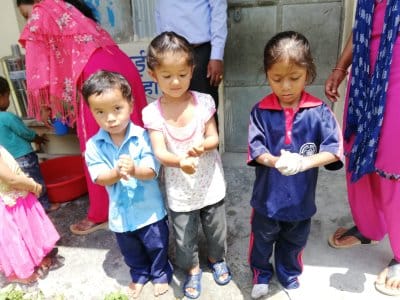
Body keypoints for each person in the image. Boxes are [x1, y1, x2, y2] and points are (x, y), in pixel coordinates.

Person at [16, 0, 148, 235]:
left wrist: (45, 103)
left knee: (94, 145)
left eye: (26, 16)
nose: (30, 22)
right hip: (123, 69)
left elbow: (37, 63)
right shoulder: (70, 9)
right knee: (133, 135)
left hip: (96, 78)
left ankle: (100, 213)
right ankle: (144, 200)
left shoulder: (41, 9)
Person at [247, 31, 343, 299]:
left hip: (301, 199)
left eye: (294, 78)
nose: (286, 87)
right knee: (262, 240)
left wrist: (304, 162)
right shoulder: (260, 111)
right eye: (277, 79)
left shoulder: (319, 111)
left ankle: (289, 273)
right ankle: (261, 273)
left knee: (294, 242)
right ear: (267, 74)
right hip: (267, 199)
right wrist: (274, 161)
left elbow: (334, 150)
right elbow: (256, 149)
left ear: (308, 73)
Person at [142, 31, 231, 299]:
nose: (175, 81)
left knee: (216, 228)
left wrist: (201, 145)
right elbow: (159, 152)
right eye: (167, 75)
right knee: (184, 235)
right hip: (180, 187)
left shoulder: (204, 102)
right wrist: (181, 160)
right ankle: (191, 269)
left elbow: (214, 138)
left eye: (182, 73)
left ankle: (217, 259)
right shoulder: (152, 113)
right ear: (152, 73)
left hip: (210, 181)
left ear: (192, 69)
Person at [325, 0, 400, 296]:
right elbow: (362, 26)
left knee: (392, 162)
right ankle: (369, 228)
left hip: (396, 70)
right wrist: (341, 67)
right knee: (357, 149)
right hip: (366, 72)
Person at [82, 70, 173, 298]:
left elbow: (152, 171)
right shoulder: (94, 146)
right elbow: (98, 177)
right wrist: (115, 172)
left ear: (131, 105)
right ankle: (140, 273)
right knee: (130, 250)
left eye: (117, 109)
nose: (110, 118)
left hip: (150, 212)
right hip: (121, 215)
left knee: (157, 245)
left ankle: (160, 273)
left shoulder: (144, 137)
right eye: (100, 112)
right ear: (91, 112)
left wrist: (133, 170)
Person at [154, 0, 227, 125]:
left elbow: (218, 10)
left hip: (199, 52)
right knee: (173, 110)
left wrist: (216, 55)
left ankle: (208, 143)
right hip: (167, 52)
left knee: (204, 111)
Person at [0, 145, 62, 284]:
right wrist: (34, 186)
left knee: (26, 231)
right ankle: (22, 272)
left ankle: (36, 259)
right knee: (16, 236)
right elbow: (11, 179)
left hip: (15, 197)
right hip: (11, 200)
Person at [0, 76, 59, 213]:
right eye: (8, 96)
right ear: (2, 96)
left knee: (20, 186)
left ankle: (30, 209)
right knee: (35, 180)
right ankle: (45, 206)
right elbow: (24, 132)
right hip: (23, 157)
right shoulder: (7, 117)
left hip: (7, 162)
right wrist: (36, 138)